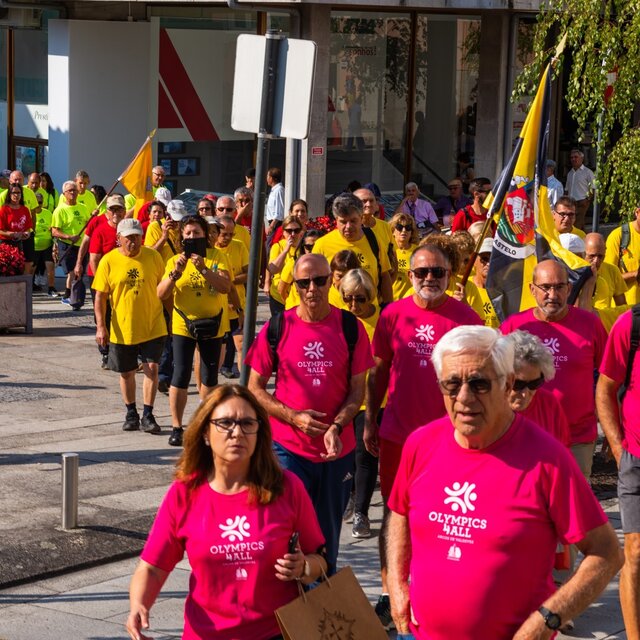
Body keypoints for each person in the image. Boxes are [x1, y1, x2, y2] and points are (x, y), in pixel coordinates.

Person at [386, 325, 622, 639]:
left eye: (480, 383)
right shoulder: (420, 445)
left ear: (507, 383)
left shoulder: (546, 459)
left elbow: (606, 552)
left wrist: (545, 621)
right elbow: (400, 512)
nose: (464, 398)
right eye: (452, 384)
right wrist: (397, 586)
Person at [126, 384, 328, 640]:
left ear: (259, 433)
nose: (237, 432)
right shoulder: (184, 493)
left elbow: (321, 559)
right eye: (225, 423)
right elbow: (153, 567)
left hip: (278, 632)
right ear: (205, 434)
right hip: (206, 634)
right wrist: (139, 605)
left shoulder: (286, 487)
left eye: (247, 423)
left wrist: (303, 568)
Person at [364, 243, 482, 628]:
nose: (429, 279)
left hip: (448, 441)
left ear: (449, 274)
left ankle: (436, 591)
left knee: (441, 518)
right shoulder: (393, 314)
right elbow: (378, 371)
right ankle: (389, 592)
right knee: (394, 515)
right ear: (409, 276)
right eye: (421, 273)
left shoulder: (466, 318)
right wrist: (369, 419)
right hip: (398, 435)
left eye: (438, 272)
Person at [247, 253, 374, 573]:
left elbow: (357, 390)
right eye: (304, 282)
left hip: (337, 451)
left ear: (331, 280)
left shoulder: (350, 327)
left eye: (319, 280)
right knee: (284, 532)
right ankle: (283, 608)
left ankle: (320, 606)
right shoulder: (277, 327)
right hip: (288, 448)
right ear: (296, 284)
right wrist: (293, 417)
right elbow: (254, 388)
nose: (312, 288)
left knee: (325, 537)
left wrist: (338, 425)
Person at [500, 259, 608, 480]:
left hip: (577, 437)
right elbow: (497, 380)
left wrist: (612, 423)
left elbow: (609, 377)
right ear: (532, 289)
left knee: (572, 507)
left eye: (559, 287)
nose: (553, 294)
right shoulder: (514, 327)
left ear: (569, 289)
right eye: (546, 287)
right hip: (525, 434)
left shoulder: (590, 325)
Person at [157, 215, 231, 447]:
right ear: (181, 236)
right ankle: (177, 426)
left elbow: (225, 287)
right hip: (183, 324)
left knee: (210, 377)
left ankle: (207, 423)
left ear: (205, 234)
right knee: (180, 374)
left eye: (196, 233)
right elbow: (161, 294)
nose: (191, 237)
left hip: (212, 323)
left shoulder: (217, 256)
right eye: (187, 233)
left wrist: (205, 270)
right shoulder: (174, 260)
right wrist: (175, 274)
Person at [93, 218, 167, 435]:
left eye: (136, 236)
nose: (133, 242)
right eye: (128, 238)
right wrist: (101, 326)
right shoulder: (109, 261)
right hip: (123, 327)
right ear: (119, 239)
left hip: (153, 323)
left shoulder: (153, 257)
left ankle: (148, 414)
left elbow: (164, 288)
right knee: (127, 372)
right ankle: (131, 412)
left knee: (152, 368)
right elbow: (100, 296)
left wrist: (172, 315)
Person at [597, 308, 640, 640]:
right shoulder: (631, 324)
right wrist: (616, 446)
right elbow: (605, 388)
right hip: (635, 460)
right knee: (636, 553)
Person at [338, 268, 380, 539]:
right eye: (349, 298)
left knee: (366, 455)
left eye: (361, 299)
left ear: (371, 297)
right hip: (347, 398)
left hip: (379, 399)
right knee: (350, 456)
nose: (355, 305)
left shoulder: (384, 320)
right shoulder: (340, 321)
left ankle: (362, 513)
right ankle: (352, 494)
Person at [313, 193, 393, 305]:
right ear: (336, 220)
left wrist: (388, 309)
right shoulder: (322, 245)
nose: (348, 226)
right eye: (343, 222)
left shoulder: (373, 240)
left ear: (361, 218)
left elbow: (385, 275)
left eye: (353, 221)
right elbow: (314, 283)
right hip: (336, 316)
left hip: (370, 316)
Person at [507, 329, 570, 445]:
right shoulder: (487, 407)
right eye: (518, 384)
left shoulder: (549, 404)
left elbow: (562, 449)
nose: (525, 393)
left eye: (534, 384)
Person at [88, 195, 127, 368]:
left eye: (119, 209)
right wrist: (101, 284)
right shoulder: (101, 230)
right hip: (102, 280)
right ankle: (105, 353)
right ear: (107, 212)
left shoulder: (129, 229)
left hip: (123, 281)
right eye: (112, 209)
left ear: (124, 211)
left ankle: (123, 350)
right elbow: (94, 259)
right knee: (103, 316)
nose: (116, 212)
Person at [215, 215, 249, 379]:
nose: (228, 238)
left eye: (231, 234)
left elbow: (249, 273)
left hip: (236, 305)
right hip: (216, 307)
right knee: (218, 347)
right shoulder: (210, 250)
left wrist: (229, 281)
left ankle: (245, 383)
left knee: (241, 343)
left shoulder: (239, 246)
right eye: (224, 234)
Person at [51, 180, 91, 304]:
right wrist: (69, 237)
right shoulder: (60, 210)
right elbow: (54, 231)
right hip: (67, 245)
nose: (73, 193)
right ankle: (68, 295)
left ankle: (76, 295)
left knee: (80, 272)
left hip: (82, 245)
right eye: (70, 191)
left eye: (75, 190)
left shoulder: (83, 208)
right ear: (64, 193)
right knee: (73, 271)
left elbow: (87, 224)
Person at [354, 187, 398, 282]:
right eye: (364, 201)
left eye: (371, 201)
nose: (368, 204)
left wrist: (388, 286)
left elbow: (393, 258)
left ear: (377, 205)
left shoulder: (385, 226)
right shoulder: (349, 229)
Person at [268, 213, 305, 316]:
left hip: (296, 298)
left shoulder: (304, 248)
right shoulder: (278, 246)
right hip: (278, 296)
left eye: (296, 231)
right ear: (283, 232)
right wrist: (285, 251)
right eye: (289, 231)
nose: (292, 234)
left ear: (301, 232)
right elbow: (272, 269)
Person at [604, 205, 640, 305]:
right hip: (626, 310)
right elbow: (607, 277)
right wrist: (635, 274)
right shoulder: (618, 236)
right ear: (637, 212)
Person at [0, 185, 34, 275]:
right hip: (6, 245)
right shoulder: (4, 209)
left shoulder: (25, 209)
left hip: (20, 244)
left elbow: (28, 228)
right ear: (9, 194)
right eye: (14, 192)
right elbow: (0, 230)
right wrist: (13, 234)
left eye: (18, 192)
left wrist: (27, 233)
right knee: (7, 271)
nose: (16, 195)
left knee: (20, 269)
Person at [389, 212, 418, 300]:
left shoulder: (418, 251)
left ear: (412, 232)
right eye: (399, 227)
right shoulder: (386, 250)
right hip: (389, 299)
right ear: (392, 230)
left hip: (410, 301)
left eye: (408, 228)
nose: (404, 231)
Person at [32, 191, 57, 296]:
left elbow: (53, 229)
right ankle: (27, 288)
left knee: (50, 267)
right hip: (34, 246)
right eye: (37, 202)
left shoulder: (48, 213)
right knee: (31, 269)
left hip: (47, 245)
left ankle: (51, 288)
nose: (39, 204)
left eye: (41, 202)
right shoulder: (30, 213)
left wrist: (55, 244)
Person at [471, 236, 499, 327]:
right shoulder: (465, 286)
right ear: (474, 261)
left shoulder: (504, 289)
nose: (488, 264)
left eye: (492, 259)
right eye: (484, 259)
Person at [565, 149, 595, 230]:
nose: (573, 159)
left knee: (576, 224)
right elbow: (567, 189)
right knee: (578, 224)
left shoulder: (588, 172)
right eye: (571, 157)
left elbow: (593, 188)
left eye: (576, 157)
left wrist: (587, 200)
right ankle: (584, 238)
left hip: (582, 202)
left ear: (581, 159)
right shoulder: (570, 173)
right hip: (571, 203)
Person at [265, 167, 284, 247]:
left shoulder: (279, 190)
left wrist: (272, 226)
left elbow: (279, 209)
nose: (266, 178)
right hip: (272, 223)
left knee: (270, 245)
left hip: (276, 224)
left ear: (271, 178)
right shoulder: (274, 190)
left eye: (267, 176)